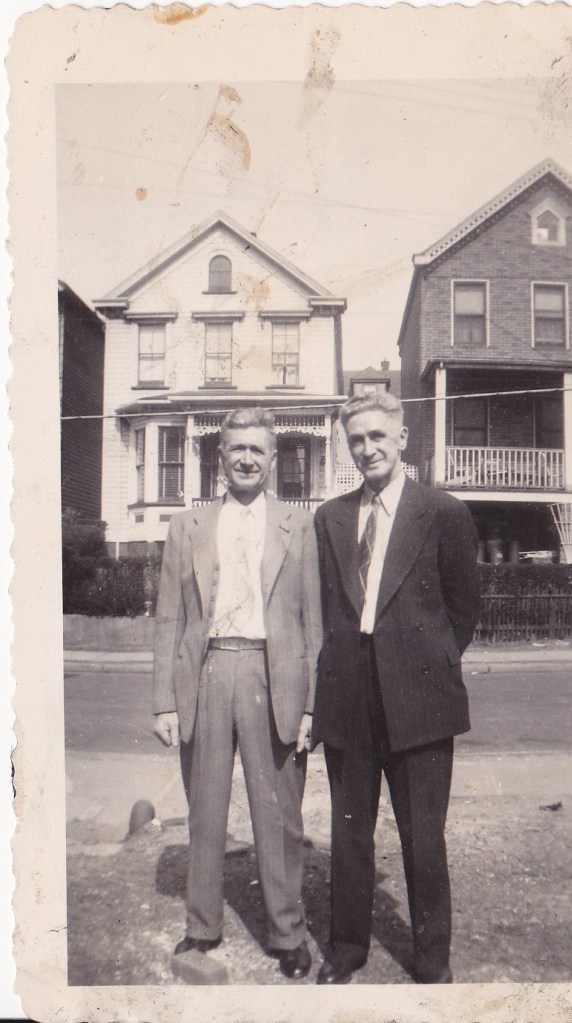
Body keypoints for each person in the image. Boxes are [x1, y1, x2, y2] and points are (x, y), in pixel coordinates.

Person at [312, 391, 480, 985]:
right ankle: (348, 947)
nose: (367, 449)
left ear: (402, 439)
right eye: (356, 439)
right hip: (348, 700)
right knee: (350, 831)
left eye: (378, 436)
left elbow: (463, 611)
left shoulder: (444, 512)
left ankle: (433, 958)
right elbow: (331, 610)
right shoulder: (329, 517)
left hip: (420, 701)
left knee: (423, 837)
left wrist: (421, 666)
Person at [153, 407, 322, 980]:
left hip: (272, 676)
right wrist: (164, 701)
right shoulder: (188, 527)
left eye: (258, 450)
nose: (247, 459)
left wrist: (309, 706)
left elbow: (312, 625)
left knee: (279, 816)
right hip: (206, 674)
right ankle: (201, 927)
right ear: (219, 456)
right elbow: (168, 620)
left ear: (273, 459)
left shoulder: (299, 525)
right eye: (236, 450)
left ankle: (287, 931)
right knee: (205, 811)